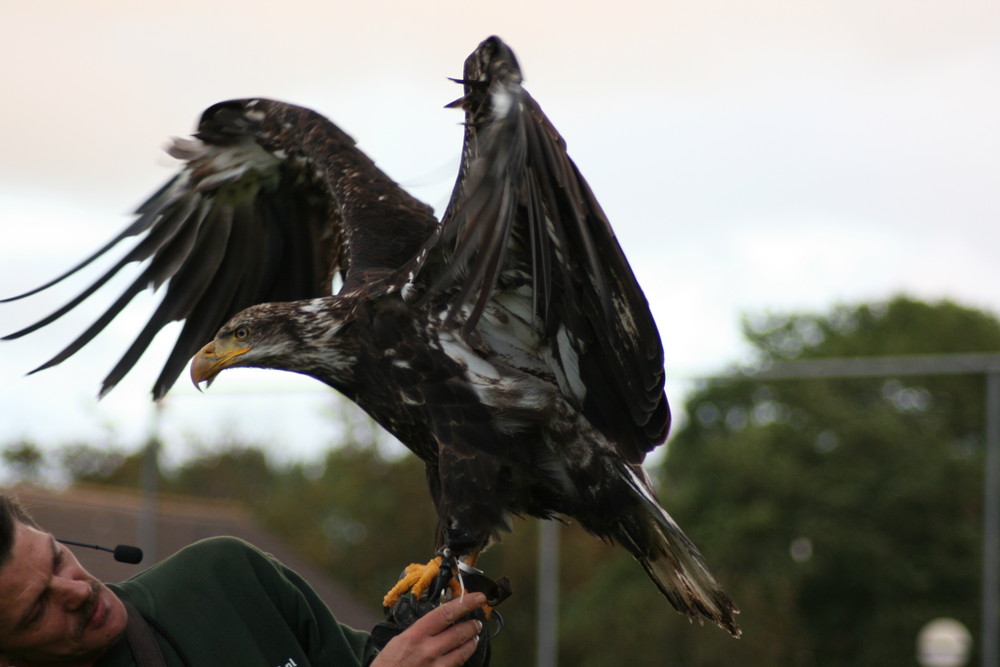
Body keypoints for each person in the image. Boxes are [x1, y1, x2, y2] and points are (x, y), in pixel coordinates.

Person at [0, 492, 486, 667]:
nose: (79, 592)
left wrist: (443, 637)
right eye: (39, 607)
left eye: (58, 559)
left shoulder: (222, 576)